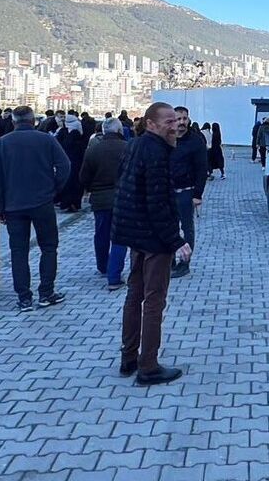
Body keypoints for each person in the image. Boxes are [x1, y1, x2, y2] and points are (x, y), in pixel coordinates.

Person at [112, 102, 191, 386]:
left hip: (134, 233)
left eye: (177, 121)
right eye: (169, 122)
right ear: (151, 124)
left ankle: (128, 358)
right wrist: (177, 241)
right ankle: (148, 366)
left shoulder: (134, 146)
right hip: (152, 237)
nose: (176, 125)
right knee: (154, 301)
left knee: (134, 295)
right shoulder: (156, 152)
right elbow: (157, 203)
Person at [0, 105, 71, 312]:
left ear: (13, 121)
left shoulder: (2, 143)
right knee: (49, 247)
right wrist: (54, 189)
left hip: (14, 205)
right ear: (33, 121)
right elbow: (65, 166)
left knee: (18, 251)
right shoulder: (46, 140)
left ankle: (24, 298)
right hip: (42, 202)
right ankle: (46, 293)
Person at [80, 117, 129, 288]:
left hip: (100, 199)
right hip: (123, 198)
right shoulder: (127, 148)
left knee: (101, 234)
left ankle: (103, 266)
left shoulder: (93, 149)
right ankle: (114, 276)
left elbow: (84, 177)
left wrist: (91, 189)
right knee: (120, 236)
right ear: (119, 130)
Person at [169, 106, 207, 279]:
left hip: (186, 192)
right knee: (169, 227)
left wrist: (198, 194)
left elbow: (202, 169)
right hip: (167, 192)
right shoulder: (167, 139)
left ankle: (185, 263)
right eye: (178, 119)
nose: (182, 122)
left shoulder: (196, 141)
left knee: (187, 228)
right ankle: (169, 262)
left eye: (184, 118)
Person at [55, 114, 87, 212]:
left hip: (64, 163)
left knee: (66, 183)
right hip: (77, 163)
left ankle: (65, 203)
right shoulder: (78, 133)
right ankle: (74, 203)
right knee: (76, 184)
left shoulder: (62, 132)